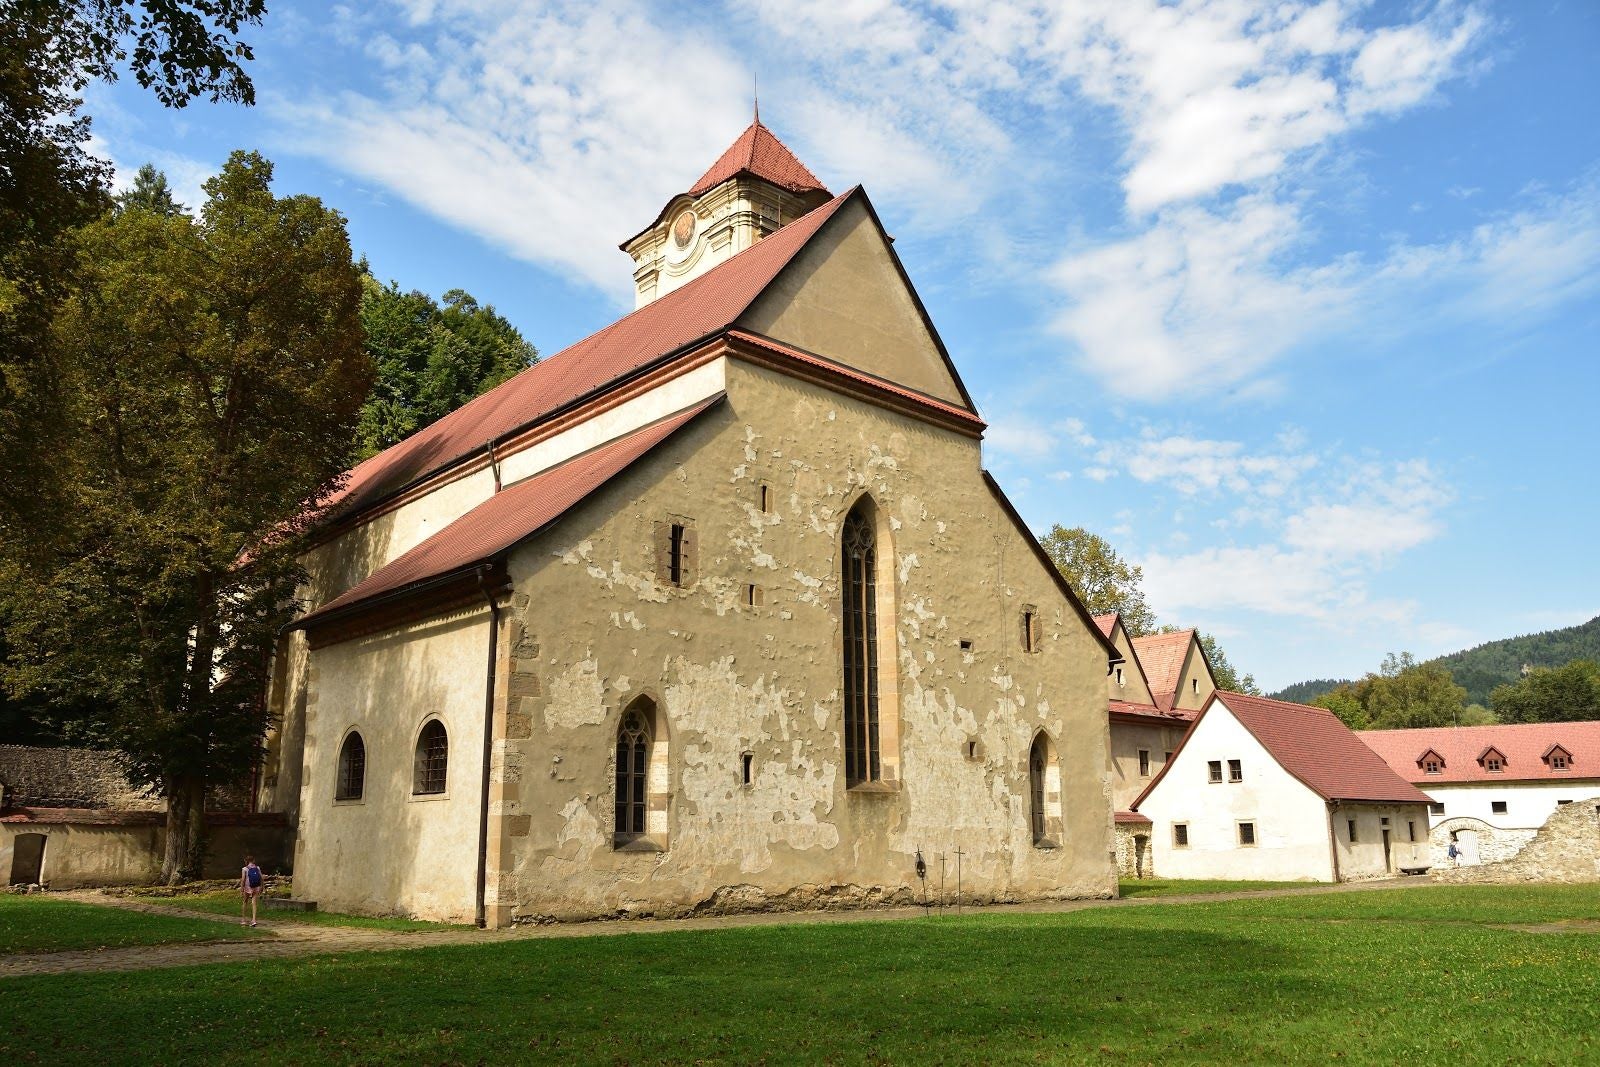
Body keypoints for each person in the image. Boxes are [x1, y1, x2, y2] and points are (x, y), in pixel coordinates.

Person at [240, 856, 264, 927]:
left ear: (246, 861)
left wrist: (242, 888)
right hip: (256, 887)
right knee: (254, 903)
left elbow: (243, 879)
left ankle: (244, 920)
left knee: (245, 901)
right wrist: (262, 886)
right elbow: (261, 877)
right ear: (253, 860)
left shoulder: (245, 869)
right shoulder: (257, 868)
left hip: (247, 887)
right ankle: (253, 920)